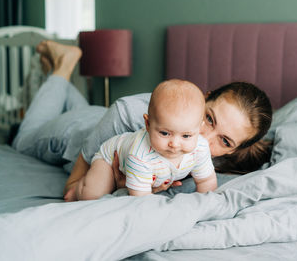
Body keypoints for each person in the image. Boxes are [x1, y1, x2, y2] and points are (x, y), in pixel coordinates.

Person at [12, 40, 273, 200]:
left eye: (225, 141)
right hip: (76, 132)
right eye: (208, 118)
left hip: (97, 116)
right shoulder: (127, 112)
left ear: (236, 149)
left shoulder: (215, 155)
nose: (203, 137)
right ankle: (62, 68)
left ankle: (63, 87)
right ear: (204, 99)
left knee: (90, 111)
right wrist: (104, 184)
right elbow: (73, 190)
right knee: (22, 141)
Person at [72, 79, 217, 200]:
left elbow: (206, 181)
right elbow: (141, 200)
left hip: (138, 172)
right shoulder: (140, 155)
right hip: (110, 158)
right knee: (92, 195)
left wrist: (204, 206)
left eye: (186, 136)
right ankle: (78, 188)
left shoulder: (200, 148)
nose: (175, 144)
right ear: (147, 124)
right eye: (165, 133)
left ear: (199, 129)